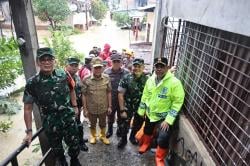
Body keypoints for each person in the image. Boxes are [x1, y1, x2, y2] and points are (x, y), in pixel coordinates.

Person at [23, 47, 81, 166]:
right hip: (50, 123)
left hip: (68, 118)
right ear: (37, 62)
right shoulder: (32, 83)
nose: (46, 62)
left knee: (74, 144)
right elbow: (27, 109)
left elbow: (72, 89)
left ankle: (74, 159)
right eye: (43, 60)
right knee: (57, 149)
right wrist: (29, 132)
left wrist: (75, 106)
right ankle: (62, 161)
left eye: (49, 59)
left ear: (54, 60)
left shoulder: (64, 74)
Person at [137, 57, 185, 166]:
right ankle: (146, 144)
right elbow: (145, 95)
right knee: (147, 130)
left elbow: (177, 102)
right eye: (157, 66)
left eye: (162, 66)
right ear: (154, 67)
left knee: (163, 138)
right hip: (150, 114)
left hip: (164, 117)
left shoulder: (175, 83)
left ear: (167, 67)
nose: (159, 69)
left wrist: (168, 120)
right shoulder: (150, 80)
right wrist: (142, 110)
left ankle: (159, 158)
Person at [117, 58, 148, 149]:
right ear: (132, 67)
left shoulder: (147, 80)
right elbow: (120, 94)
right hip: (128, 106)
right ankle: (123, 140)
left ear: (143, 67)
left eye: (139, 66)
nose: (136, 68)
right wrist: (122, 110)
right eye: (135, 66)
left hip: (141, 108)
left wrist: (146, 110)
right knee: (124, 125)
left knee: (138, 124)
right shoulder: (126, 78)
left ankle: (132, 137)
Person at [82, 57, 112, 145]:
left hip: (103, 107)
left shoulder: (107, 78)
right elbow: (84, 94)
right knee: (92, 123)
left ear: (102, 67)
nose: (98, 69)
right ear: (92, 67)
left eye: (100, 67)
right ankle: (93, 136)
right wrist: (85, 109)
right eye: (96, 67)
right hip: (91, 107)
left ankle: (103, 136)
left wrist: (110, 106)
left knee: (103, 123)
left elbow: (109, 92)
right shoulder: (86, 79)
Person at [65, 57, 88, 152]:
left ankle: (81, 140)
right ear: (66, 66)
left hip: (77, 107)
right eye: (72, 65)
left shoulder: (77, 77)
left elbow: (81, 91)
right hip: (68, 109)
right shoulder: (63, 78)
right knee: (71, 128)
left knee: (79, 124)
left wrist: (82, 106)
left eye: (76, 65)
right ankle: (76, 143)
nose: (74, 67)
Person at [104, 53, 130, 138]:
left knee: (120, 116)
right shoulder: (106, 72)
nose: (116, 63)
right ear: (111, 62)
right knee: (110, 115)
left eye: (118, 61)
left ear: (121, 62)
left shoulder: (126, 72)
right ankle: (110, 129)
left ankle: (119, 129)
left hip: (122, 99)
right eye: (114, 61)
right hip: (111, 98)